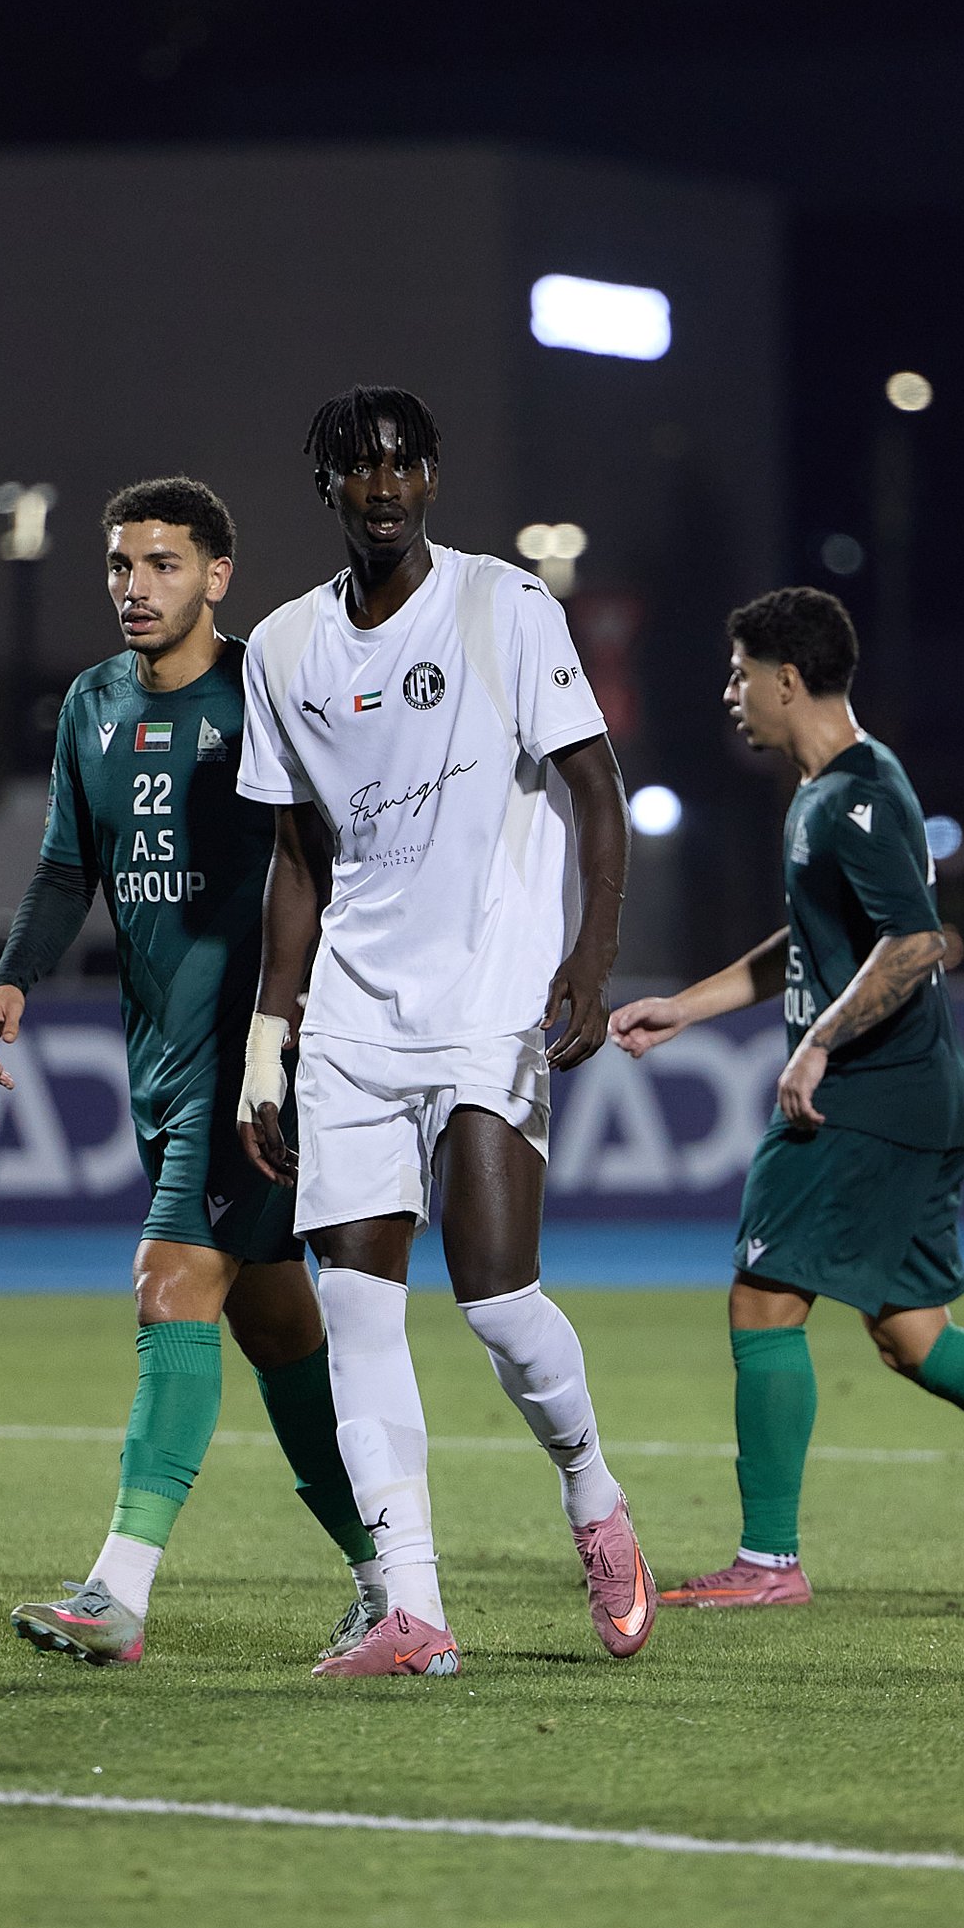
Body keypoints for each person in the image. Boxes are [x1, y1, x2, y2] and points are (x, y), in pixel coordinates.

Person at [237, 385, 655, 1678]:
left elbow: (596, 790)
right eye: (359, 466)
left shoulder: (503, 606)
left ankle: (592, 1494)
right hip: (353, 1021)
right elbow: (297, 857)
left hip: (488, 999)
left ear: (432, 476)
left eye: (404, 463)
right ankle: (413, 1610)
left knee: (497, 1297)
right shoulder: (282, 647)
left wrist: (590, 953)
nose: (383, 486)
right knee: (357, 1314)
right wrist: (269, 1042)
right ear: (325, 483)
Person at [0, 476, 383, 1665]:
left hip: (254, 1065)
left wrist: (294, 1034)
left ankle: (118, 1592)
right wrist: (13, 978)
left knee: (168, 1283)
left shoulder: (266, 694)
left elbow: (336, 861)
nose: (136, 586)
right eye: (120, 565)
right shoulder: (91, 703)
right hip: (155, 1057)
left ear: (217, 576)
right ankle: (390, 1576)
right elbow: (68, 868)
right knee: (276, 1328)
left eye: (162, 564)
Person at [611, 585, 964, 1606]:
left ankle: (768, 1562)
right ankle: (769, 1560)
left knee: (763, 1295)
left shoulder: (856, 794)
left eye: (739, 675)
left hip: (868, 1094)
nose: (730, 694)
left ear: (786, 679)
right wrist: (688, 1007)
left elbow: (917, 941)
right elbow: (811, 943)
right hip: (908, 1094)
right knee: (913, 1335)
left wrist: (817, 1048)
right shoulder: (829, 790)